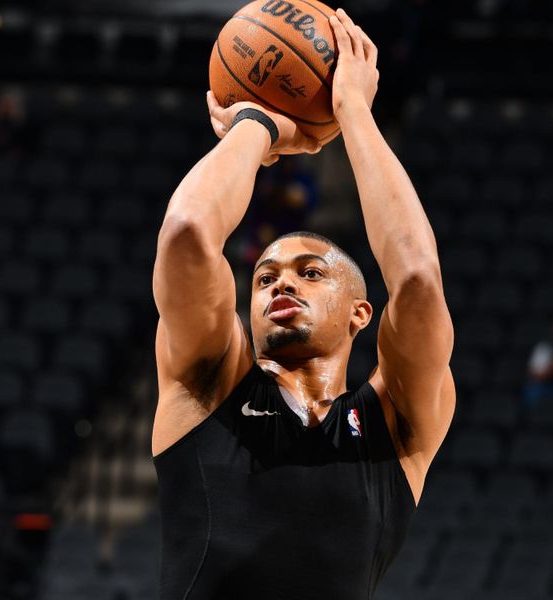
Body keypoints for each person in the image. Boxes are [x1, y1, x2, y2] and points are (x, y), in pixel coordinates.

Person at [151, 10, 455, 599]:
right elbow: (187, 231)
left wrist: (355, 113)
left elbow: (417, 279)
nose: (279, 286)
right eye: (263, 279)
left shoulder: (397, 427)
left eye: (309, 273)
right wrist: (255, 122)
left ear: (360, 313)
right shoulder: (208, 386)